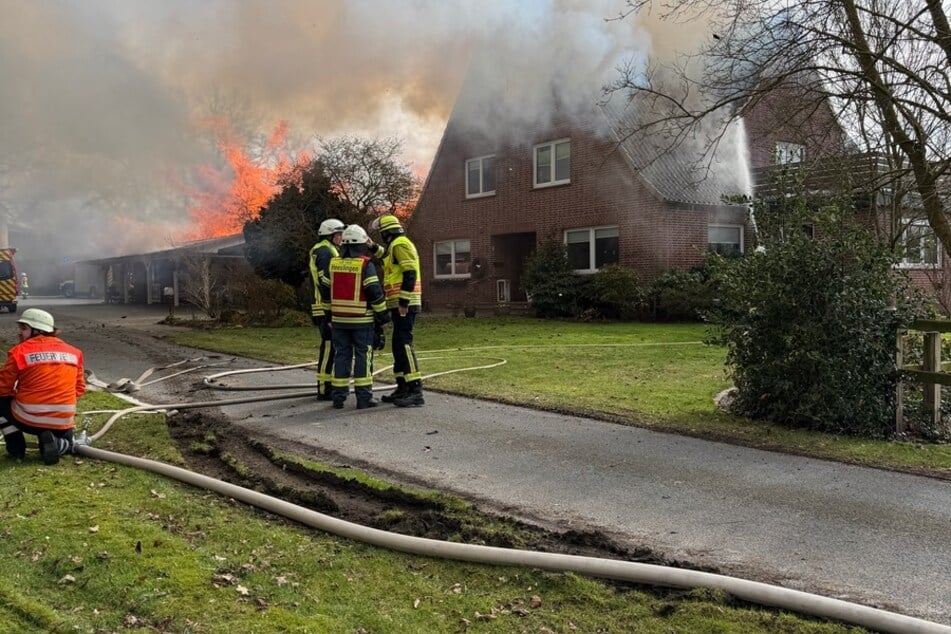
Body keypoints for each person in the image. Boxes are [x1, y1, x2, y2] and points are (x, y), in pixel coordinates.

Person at [0, 308, 85, 465]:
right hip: (64, 420)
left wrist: (19, 393)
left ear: (37, 330)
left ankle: (16, 450)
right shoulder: (74, 352)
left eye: (23, 328)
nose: (19, 332)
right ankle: (59, 442)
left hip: (29, 420)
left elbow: (3, 388)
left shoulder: (19, 352)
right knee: (63, 444)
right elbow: (79, 388)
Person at [322, 224, 389, 409]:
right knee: (363, 356)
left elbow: (325, 293)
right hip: (362, 321)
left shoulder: (333, 264)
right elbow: (374, 292)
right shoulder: (365, 265)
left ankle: (338, 397)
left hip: (338, 321)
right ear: (361, 245)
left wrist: (328, 316)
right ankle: (364, 397)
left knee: (341, 355)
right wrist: (383, 316)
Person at [368, 214, 424, 407]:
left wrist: (404, 301)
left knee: (404, 344)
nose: (382, 237)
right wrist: (371, 245)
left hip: (405, 305)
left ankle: (415, 390)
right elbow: (385, 256)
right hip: (399, 304)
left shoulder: (400, 244)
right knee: (397, 346)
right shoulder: (395, 246)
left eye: (382, 233)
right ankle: (402, 387)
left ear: (387, 232)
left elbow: (410, 272)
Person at [308, 218, 347, 400]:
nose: (341, 238)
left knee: (331, 346)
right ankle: (324, 388)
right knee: (329, 346)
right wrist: (330, 310)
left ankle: (328, 385)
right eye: (339, 234)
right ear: (330, 235)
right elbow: (326, 281)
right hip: (324, 307)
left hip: (323, 306)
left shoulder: (325, 249)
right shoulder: (325, 252)